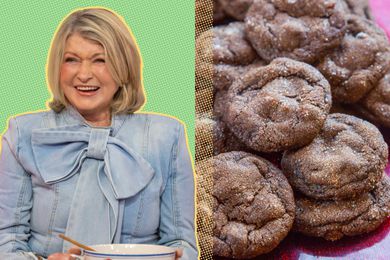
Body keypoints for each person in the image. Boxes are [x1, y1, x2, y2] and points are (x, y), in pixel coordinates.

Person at [0, 7, 197, 260]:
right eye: (71, 59)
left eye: (100, 60)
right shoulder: (22, 134)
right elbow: (5, 243)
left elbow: (181, 243)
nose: (84, 74)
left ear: (122, 66)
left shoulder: (166, 137)